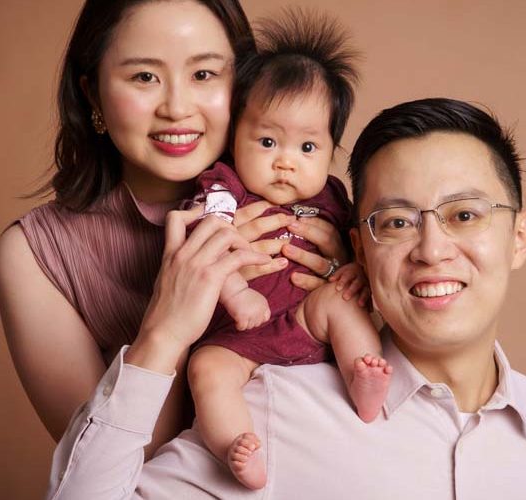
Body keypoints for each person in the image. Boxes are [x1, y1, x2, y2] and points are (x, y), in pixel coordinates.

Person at [45, 98, 526, 499]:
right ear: (359, 248)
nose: (431, 249)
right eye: (396, 223)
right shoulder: (270, 410)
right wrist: (161, 338)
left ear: (519, 236)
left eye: (465, 215)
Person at [0, 0, 349, 457]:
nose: (177, 108)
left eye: (203, 75)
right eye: (144, 77)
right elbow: (114, 469)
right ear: (93, 95)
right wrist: (169, 327)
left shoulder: (314, 195)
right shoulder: (34, 255)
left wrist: (350, 277)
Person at [183, 11, 390, 489]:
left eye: (308, 148)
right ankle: (235, 445)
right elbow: (206, 242)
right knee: (206, 368)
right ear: (235, 136)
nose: (285, 162)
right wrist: (236, 293)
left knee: (340, 301)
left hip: (304, 324)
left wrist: (353, 269)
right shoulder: (223, 187)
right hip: (239, 335)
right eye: (269, 140)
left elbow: (365, 253)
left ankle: (364, 377)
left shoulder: (334, 200)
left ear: (332, 149)